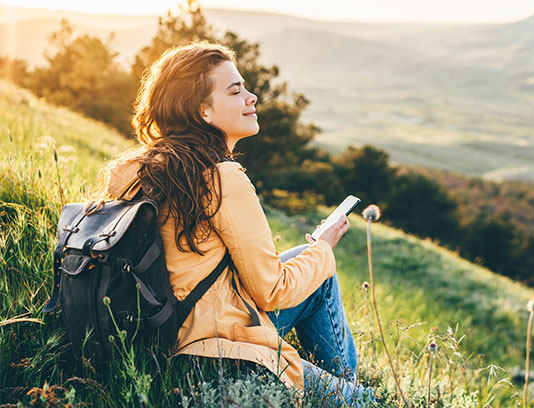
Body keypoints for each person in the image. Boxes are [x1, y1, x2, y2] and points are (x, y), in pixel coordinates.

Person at [102, 42, 374, 406]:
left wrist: (313, 254)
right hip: (213, 351)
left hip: (151, 334)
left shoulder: (130, 169)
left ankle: (336, 393)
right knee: (370, 400)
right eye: (236, 90)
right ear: (204, 111)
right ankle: (347, 396)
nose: (252, 97)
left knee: (308, 263)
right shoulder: (222, 178)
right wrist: (324, 247)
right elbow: (272, 291)